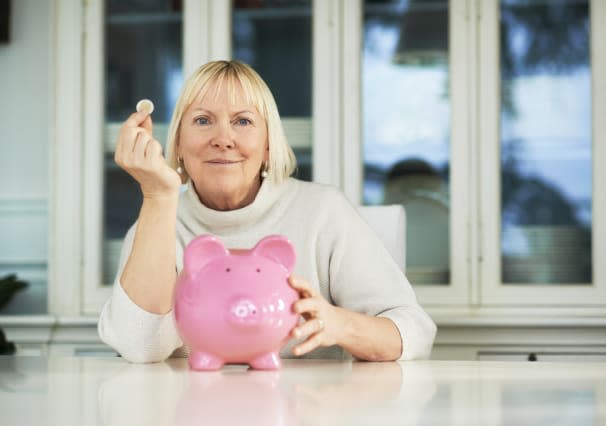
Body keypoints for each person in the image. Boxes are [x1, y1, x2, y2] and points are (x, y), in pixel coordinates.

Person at [98, 60, 437, 363]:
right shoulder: (157, 220)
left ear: (268, 145)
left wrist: (339, 324)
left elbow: (414, 330)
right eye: (203, 120)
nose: (223, 138)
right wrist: (158, 196)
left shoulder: (323, 211)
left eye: (243, 121)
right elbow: (139, 346)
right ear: (178, 146)